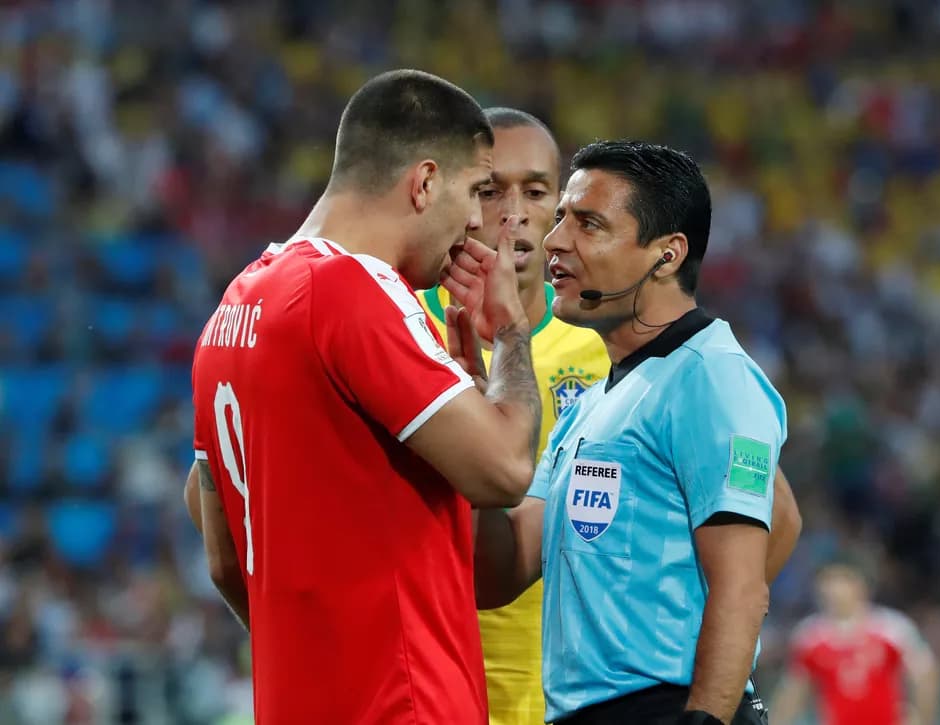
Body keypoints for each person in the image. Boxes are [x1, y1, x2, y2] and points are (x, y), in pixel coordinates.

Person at [185, 69, 542, 724]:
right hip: (404, 705)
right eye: (474, 191)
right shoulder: (353, 289)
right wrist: (513, 333)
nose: (474, 223)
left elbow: (222, 556)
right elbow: (506, 468)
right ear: (425, 181)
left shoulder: (231, 312)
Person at [444, 140, 802, 725]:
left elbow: (741, 588)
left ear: (666, 255)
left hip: (670, 708)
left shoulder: (712, 376)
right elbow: (500, 573)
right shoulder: (590, 405)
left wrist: (704, 715)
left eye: (588, 224)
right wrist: (475, 422)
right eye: (561, 217)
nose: (556, 240)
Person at [420, 107, 610, 725]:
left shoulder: (610, 343)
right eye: (491, 189)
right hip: (426, 692)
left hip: (571, 698)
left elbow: (769, 512)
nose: (514, 211)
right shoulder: (394, 322)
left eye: (535, 190)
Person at [770, 556, 940, 725]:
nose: (832, 589)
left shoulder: (892, 628)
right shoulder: (809, 636)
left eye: (841, 580)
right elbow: (794, 691)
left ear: (861, 584)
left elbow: (926, 676)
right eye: (827, 581)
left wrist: (923, 718)